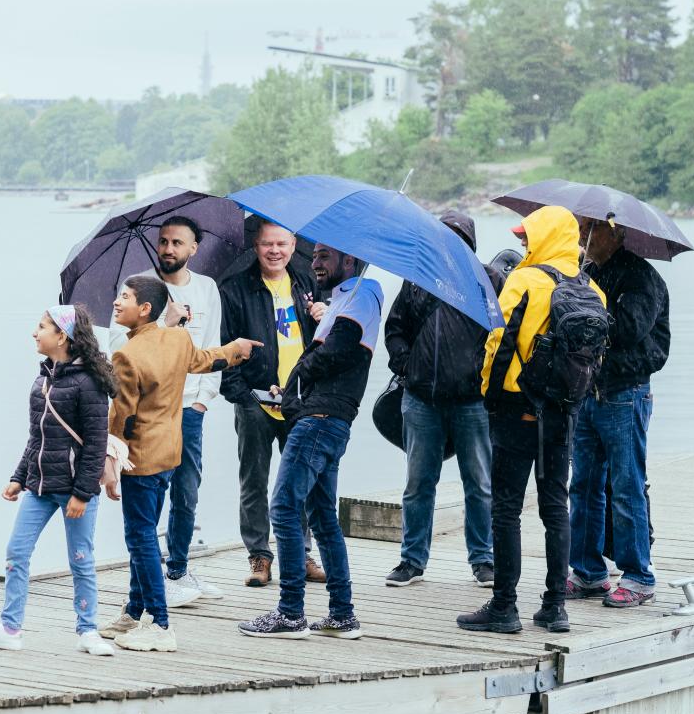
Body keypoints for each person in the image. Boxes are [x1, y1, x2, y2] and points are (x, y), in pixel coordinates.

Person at [457, 206, 605, 636]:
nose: (523, 242)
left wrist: (489, 395)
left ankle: (504, 606)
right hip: (565, 412)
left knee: (505, 508)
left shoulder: (524, 280)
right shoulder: (594, 289)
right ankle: (555, 606)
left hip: (516, 409)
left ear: (546, 237)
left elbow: (497, 343)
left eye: (528, 236)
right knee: (555, 507)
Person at [98, 276, 260, 652]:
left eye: (125, 297)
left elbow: (120, 417)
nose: (116, 303)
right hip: (170, 452)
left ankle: (160, 622)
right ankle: (133, 612)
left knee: (140, 538)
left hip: (140, 458)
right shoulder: (177, 338)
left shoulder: (127, 355)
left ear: (146, 310)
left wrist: (109, 463)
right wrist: (236, 348)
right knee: (145, 533)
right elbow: (205, 361)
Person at [238, 244, 383, 640]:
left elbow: (336, 353)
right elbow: (324, 358)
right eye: (314, 256)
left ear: (350, 259)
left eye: (324, 256)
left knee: (284, 508)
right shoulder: (341, 299)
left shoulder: (362, 293)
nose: (314, 263)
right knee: (321, 518)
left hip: (321, 421)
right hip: (323, 417)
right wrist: (291, 389)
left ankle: (290, 611)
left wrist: (295, 381)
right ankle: (341, 613)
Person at [0, 305, 117, 656]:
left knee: (81, 559)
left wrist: (82, 493)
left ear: (61, 336)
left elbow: (96, 443)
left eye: (42, 327)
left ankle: (88, 630)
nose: (35, 333)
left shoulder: (90, 384)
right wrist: (19, 478)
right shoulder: (41, 380)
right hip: (40, 488)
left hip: (77, 491)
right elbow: (37, 437)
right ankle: (9, 628)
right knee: (16, 552)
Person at [108, 216, 225, 608]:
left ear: (194, 249)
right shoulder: (139, 290)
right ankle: (150, 584)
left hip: (189, 404)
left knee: (187, 490)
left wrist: (203, 399)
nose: (168, 248)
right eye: (163, 242)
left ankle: (178, 566)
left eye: (177, 242)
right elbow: (117, 347)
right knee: (148, 501)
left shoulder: (207, 288)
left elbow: (212, 345)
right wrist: (161, 320)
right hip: (151, 411)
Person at [383, 211, 502, 589]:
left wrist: (488, 377)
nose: (449, 242)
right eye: (442, 235)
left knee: (480, 483)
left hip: (474, 401)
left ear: (470, 242)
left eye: (457, 236)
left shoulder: (490, 280)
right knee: (418, 483)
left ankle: (483, 559)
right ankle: (412, 560)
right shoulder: (417, 278)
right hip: (421, 399)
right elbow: (395, 329)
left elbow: (506, 332)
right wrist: (407, 363)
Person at [567, 219, 669, 608]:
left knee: (627, 486)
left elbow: (627, 329)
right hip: (587, 391)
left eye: (589, 228)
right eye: (579, 227)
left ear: (615, 232)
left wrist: (587, 305)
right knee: (584, 485)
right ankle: (588, 571)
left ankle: (638, 574)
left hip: (626, 393)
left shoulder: (642, 278)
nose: (581, 235)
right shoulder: (587, 272)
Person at [218, 220, 325, 588]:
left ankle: (301, 553)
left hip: (299, 399)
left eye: (281, 243)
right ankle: (259, 556)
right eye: (267, 244)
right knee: (254, 481)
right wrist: (242, 395)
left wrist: (322, 319)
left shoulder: (309, 284)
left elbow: (323, 344)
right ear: (256, 246)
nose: (274, 251)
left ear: (294, 246)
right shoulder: (234, 289)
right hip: (255, 400)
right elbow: (225, 346)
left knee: (300, 482)